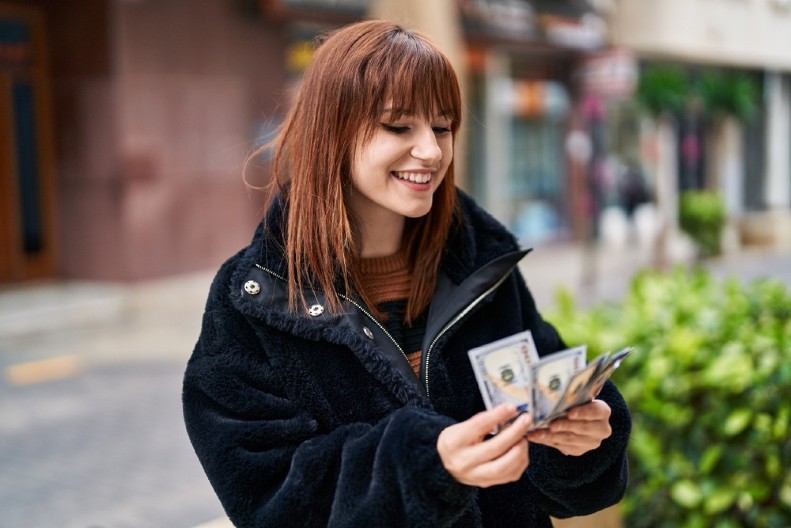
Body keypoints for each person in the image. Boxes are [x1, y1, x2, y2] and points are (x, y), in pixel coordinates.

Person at [182, 19, 631, 528]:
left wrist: (584, 442)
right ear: (332, 131)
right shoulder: (253, 299)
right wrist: (425, 466)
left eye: (442, 127)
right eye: (399, 126)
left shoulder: (480, 262)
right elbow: (267, 498)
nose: (432, 151)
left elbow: (560, 476)